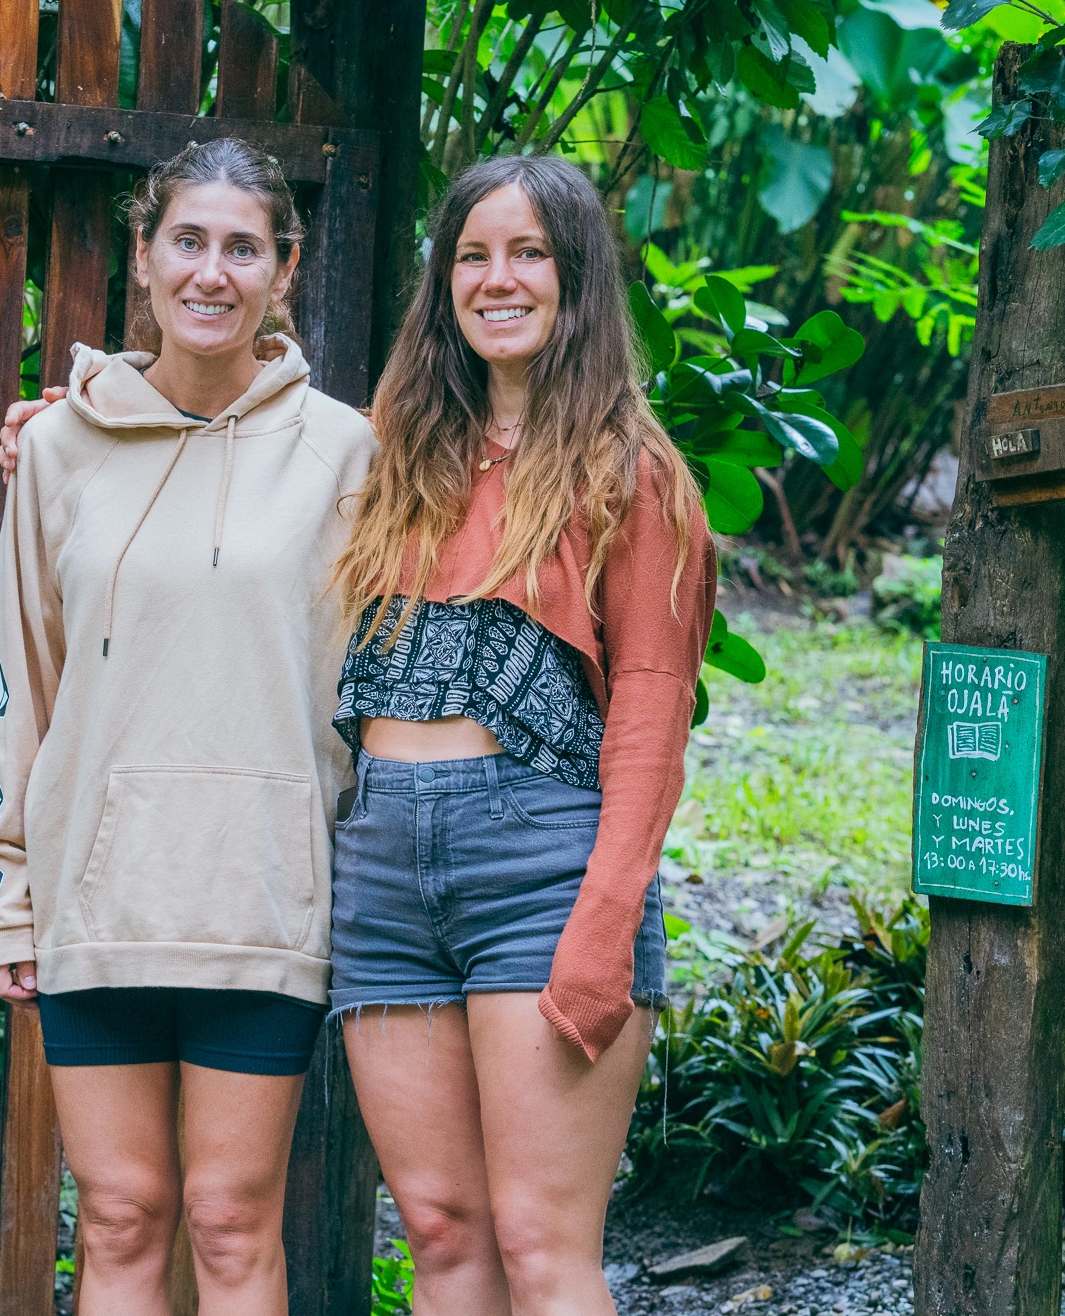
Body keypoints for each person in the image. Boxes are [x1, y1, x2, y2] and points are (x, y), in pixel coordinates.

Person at [0, 137, 376, 1316]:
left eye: (243, 247)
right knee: (124, 1216)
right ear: (141, 258)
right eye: (186, 241)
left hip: (260, 898)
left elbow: (361, 688)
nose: (212, 271)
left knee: (235, 1224)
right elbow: (16, 676)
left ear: (281, 269)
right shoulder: (53, 446)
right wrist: (1, 894)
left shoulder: (345, 450)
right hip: (99, 897)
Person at [327, 154, 714, 1316]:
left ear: (576, 277)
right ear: (443, 280)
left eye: (529, 252)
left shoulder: (632, 472)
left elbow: (649, 710)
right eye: (473, 255)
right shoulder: (388, 454)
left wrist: (604, 921)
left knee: (542, 1245)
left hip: (536, 864)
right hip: (382, 867)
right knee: (443, 1237)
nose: (498, 279)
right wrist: (68, 426)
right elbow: (220, 441)